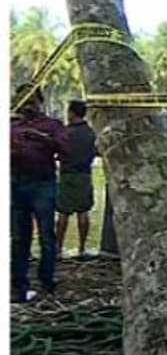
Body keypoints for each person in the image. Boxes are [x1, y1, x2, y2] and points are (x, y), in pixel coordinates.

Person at [11, 86, 68, 302]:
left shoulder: (53, 125)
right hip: (16, 183)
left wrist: (42, 138)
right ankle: (19, 284)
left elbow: (65, 150)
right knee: (18, 237)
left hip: (43, 184)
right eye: (23, 101)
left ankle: (47, 280)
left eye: (32, 101)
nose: (27, 106)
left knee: (46, 234)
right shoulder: (10, 125)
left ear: (40, 102)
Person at [55, 100, 97, 259]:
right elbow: (95, 151)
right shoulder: (90, 132)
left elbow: (58, 152)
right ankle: (82, 249)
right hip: (85, 175)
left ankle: (58, 249)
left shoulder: (65, 133)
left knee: (63, 213)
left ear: (71, 112)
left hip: (67, 174)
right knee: (83, 212)